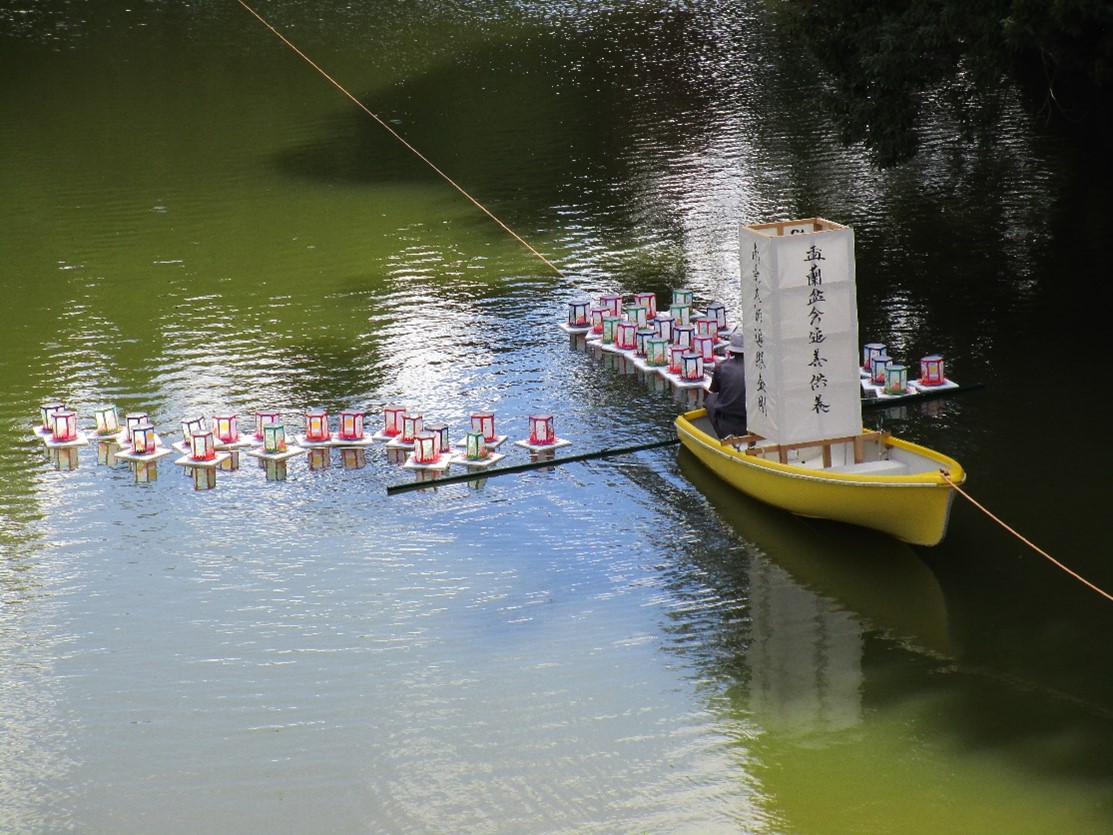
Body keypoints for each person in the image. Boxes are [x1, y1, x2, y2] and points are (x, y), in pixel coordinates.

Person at [705, 329, 747, 439]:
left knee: (711, 398)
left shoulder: (722, 367)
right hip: (754, 421)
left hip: (729, 425)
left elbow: (714, 390)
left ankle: (721, 433)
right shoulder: (759, 368)